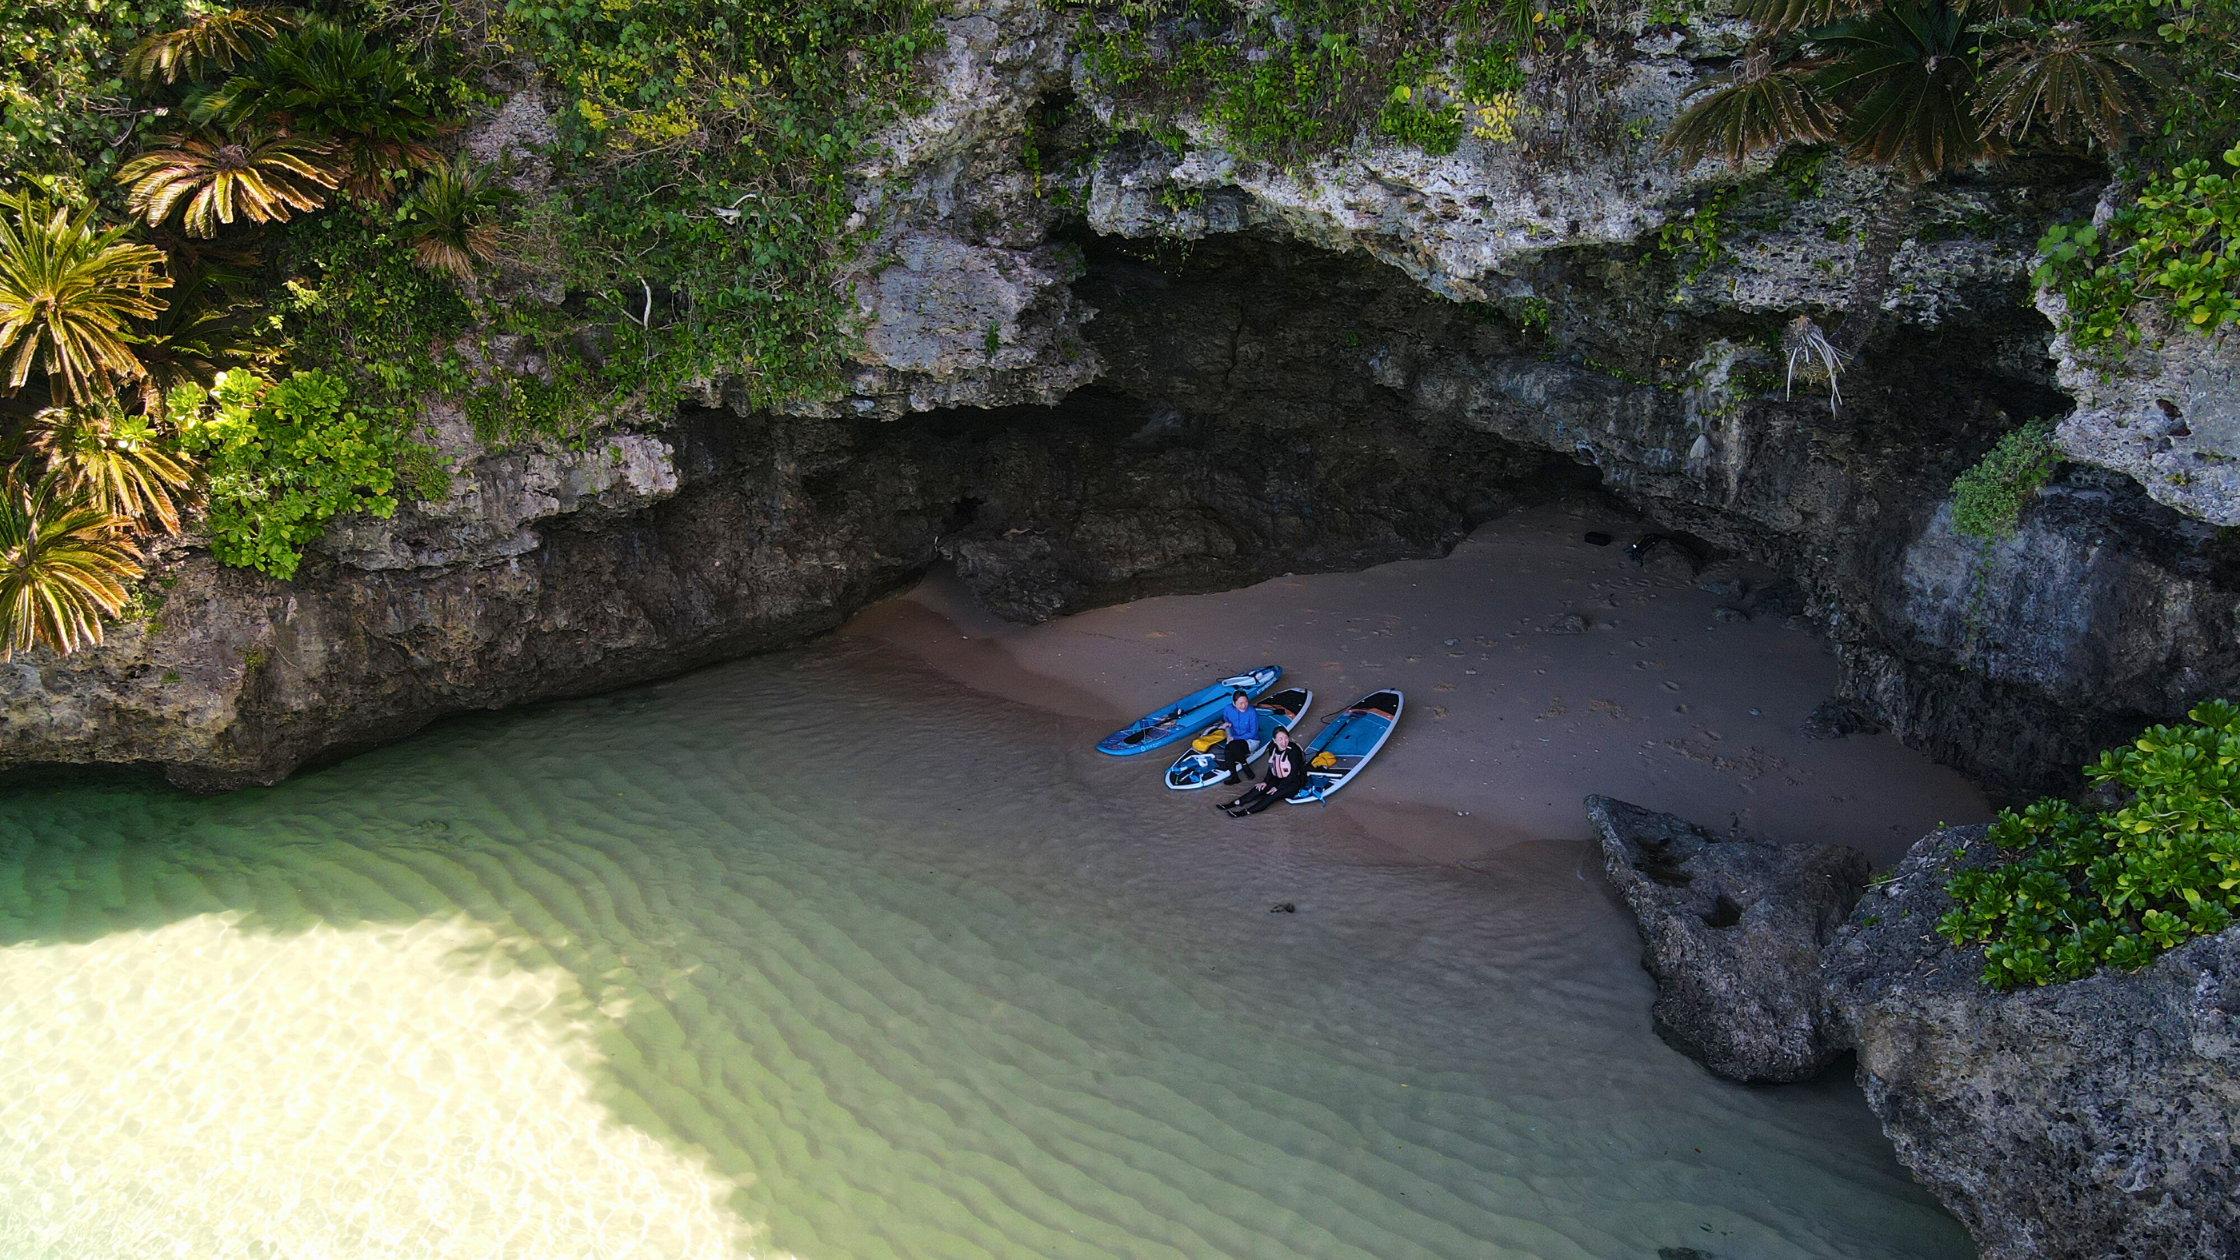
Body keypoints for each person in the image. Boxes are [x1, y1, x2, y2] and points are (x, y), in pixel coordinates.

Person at [1220, 726, 1310, 816]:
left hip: (1293, 782)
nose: (1284, 742)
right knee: (1259, 789)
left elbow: (1294, 773)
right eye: (1280, 739)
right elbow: (1272, 766)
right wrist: (1265, 782)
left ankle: (1245, 812)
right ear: (1274, 740)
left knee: (1270, 796)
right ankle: (1235, 803)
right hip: (1278, 778)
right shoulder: (1272, 748)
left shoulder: (1294, 751)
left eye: (1286, 738)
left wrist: (1278, 787)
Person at [1217, 689, 1263, 786]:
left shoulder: (1251, 712)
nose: (1244, 706)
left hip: (1250, 740)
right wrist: (1226, 724)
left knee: (1231, 746)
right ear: (1234, 703)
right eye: (1241, 703)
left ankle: (1244, 768)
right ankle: (1235, 776)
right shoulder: (1228, 709)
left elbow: (1253, 733)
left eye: (1246, 702)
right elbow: (1226, 718)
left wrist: (1235, 738)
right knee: (1229, 749)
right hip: (1234, 739)